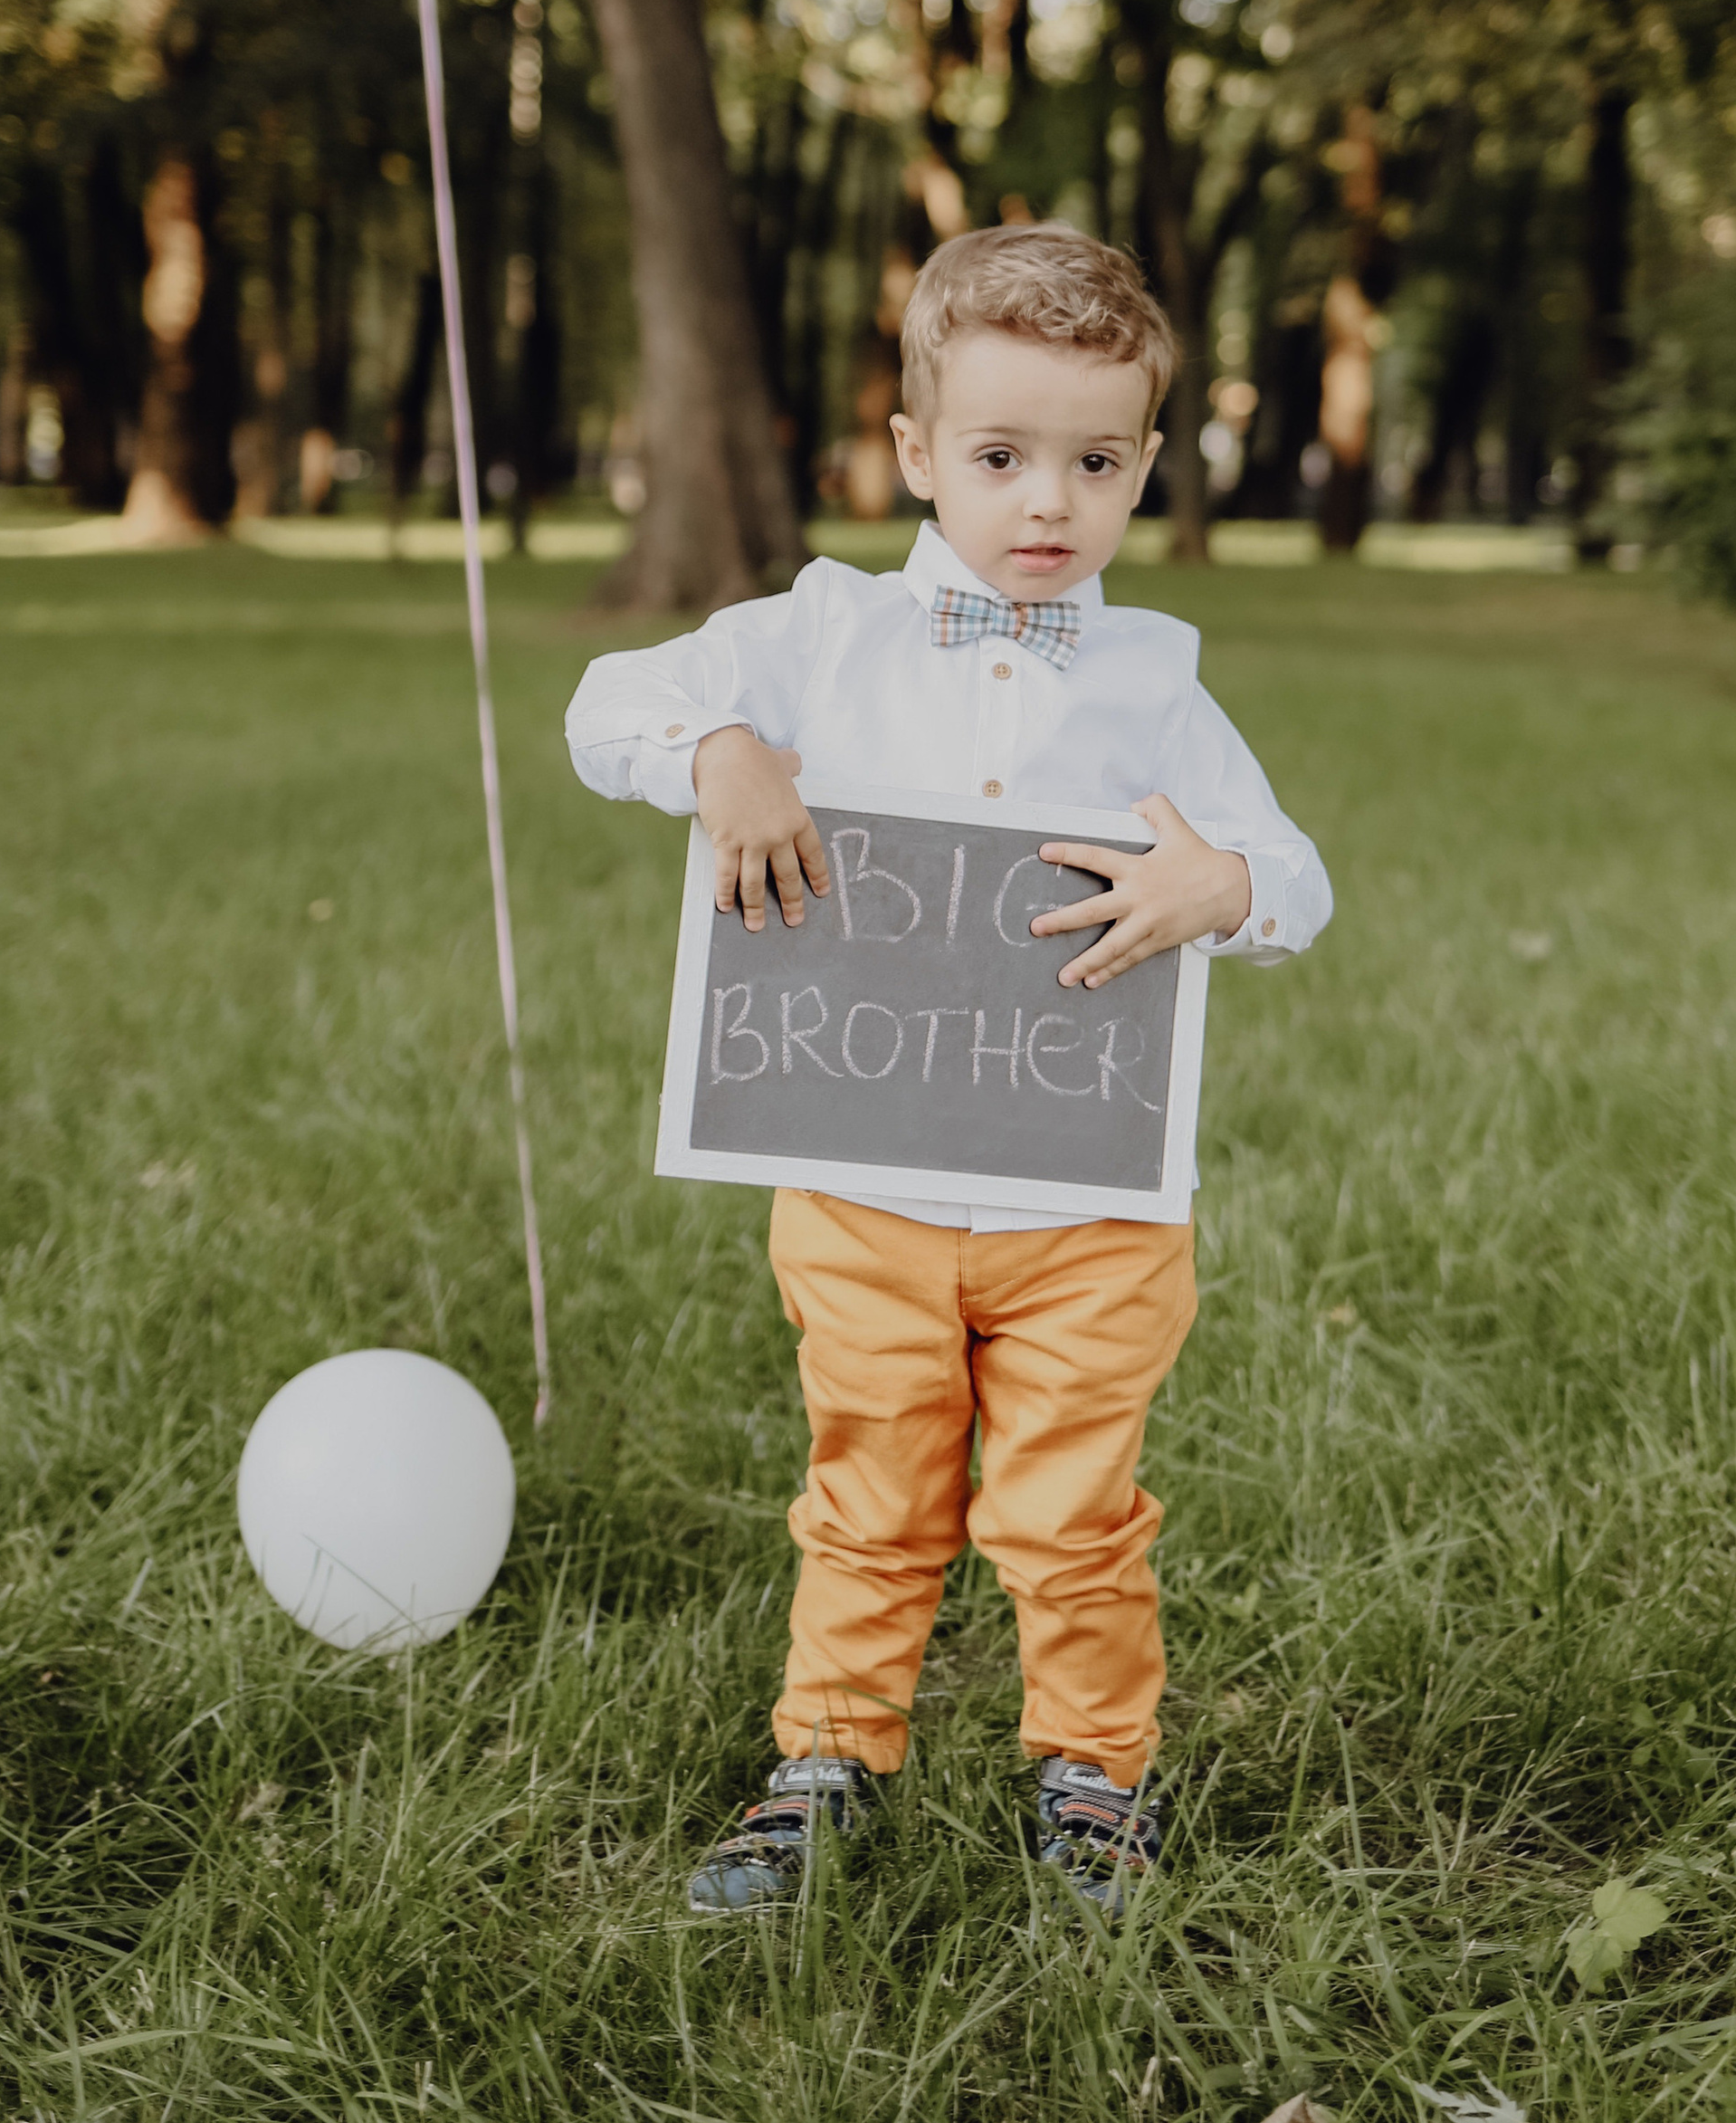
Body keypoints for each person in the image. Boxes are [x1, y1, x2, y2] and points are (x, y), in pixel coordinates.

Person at [565, 225, 1331, 1916]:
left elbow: (1297, 875)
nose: (1048, 502)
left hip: (1091, 1211)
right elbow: (605, 703)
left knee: (1073, 1508)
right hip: (864, 1196)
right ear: (916, 453)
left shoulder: (1156, 683)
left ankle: (1096, 1778)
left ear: (1145, 462)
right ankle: (827, 1760)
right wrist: (717, 749)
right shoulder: (819, 635)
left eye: (1095, 463)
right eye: (1000, 457)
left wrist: (1223, 886)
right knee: (870, 1489)